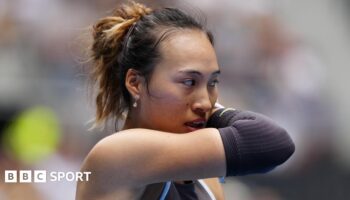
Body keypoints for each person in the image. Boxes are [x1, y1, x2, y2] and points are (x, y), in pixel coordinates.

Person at [75, 2, 295, 200]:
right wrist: (215, 113)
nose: (204, 102)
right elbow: (272, 143)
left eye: (212, 82)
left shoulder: (205, 177)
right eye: (189, 82)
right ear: (135, 83)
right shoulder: (118, 154)